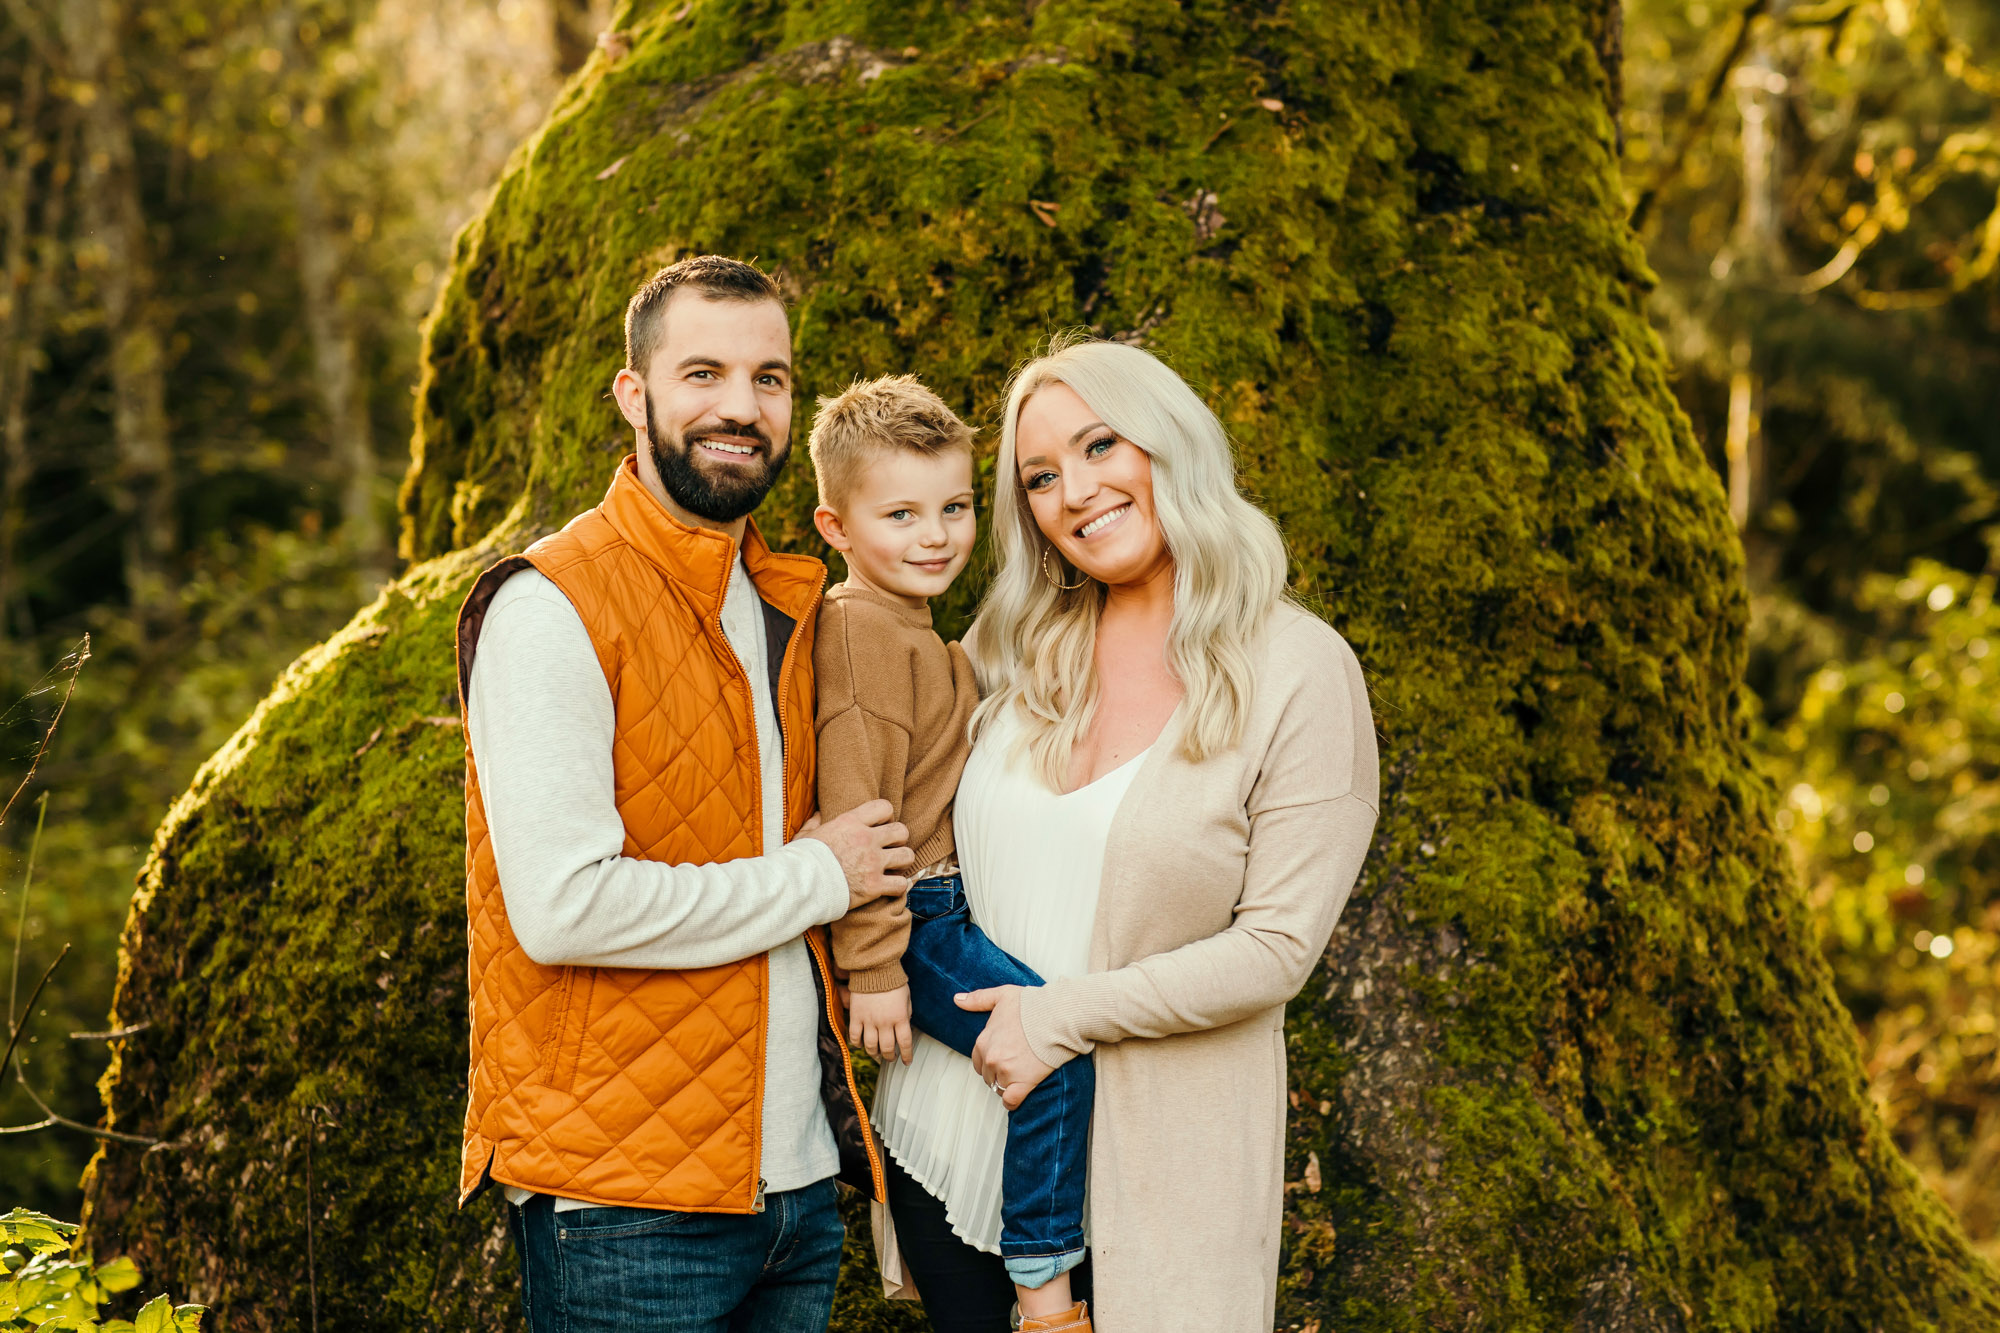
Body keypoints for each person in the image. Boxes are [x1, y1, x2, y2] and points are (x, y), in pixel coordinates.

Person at [872, 335, 1380, 1332]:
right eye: (1039, 477)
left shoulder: (1298, 670)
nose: (1075, 491)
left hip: (1146, 1180)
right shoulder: (1008, 645)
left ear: (1168, 442)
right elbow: (902, 816)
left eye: (1100, 445)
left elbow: (1276, 949)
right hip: (943, 1135)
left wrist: (1059, 1014)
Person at [452, 255, 913, 1332]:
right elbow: (565, 907)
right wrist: (818, 876)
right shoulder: (552, 603)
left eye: (769, 378)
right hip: (624, 1207)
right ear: (634, 394)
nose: (739, 408)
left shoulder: (792, 601)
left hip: (793, 1192)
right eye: (701, 372)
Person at [806, 376, 1095, 1333]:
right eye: (901, 514)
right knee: (1050, 1056)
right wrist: (876, 966)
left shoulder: (924, 633)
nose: (935, 535)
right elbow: (858, 810)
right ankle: (1045, 1283)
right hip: (915, 918)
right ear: (836, 527)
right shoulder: (859, 636)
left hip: (940, 909)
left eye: (956, 507)